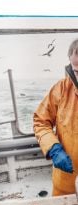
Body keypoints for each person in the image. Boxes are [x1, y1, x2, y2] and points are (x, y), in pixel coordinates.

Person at [33, 39, 78, 196]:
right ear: (71, 64)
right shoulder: (60, 89)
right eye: (77, 70)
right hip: (65, 182)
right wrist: (53, 147)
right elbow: (40, 121)